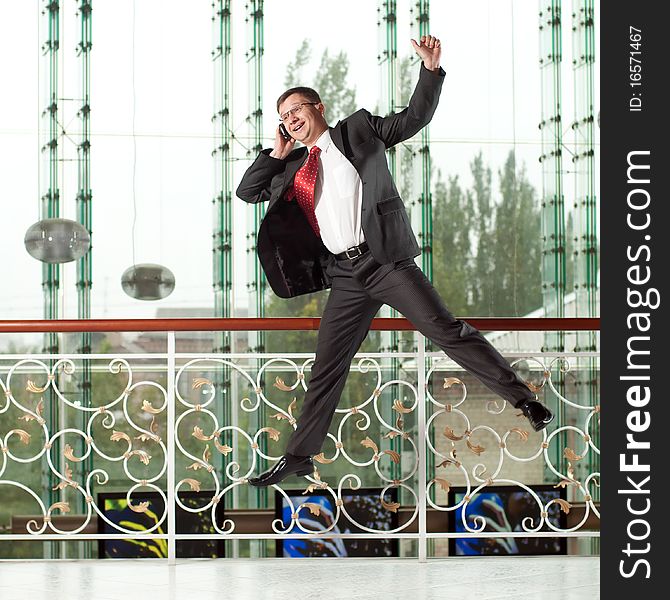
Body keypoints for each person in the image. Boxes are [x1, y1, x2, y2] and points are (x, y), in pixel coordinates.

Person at [236, 35, 553, 487]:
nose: (291, 121)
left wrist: (430, 69)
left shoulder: (358, 130)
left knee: (446, 330)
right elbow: (248, 192)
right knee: (327, 365)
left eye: (297, 112)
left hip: (385, 261)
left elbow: (414, 119)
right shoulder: (293, 167)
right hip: (344, 275)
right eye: (284, 118)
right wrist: (278, 152)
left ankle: (523, 399)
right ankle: (300, 456)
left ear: (318, 107)